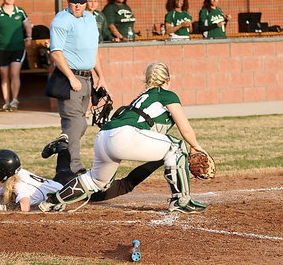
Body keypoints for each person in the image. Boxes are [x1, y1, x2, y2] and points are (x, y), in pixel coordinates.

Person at [40, 62, 208, 214]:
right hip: (125, 136)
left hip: (103, 137)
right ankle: (181, 200)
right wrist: (196, 146)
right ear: (168, 80)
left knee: (95, 181)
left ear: (147, 80)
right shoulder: (166, 95)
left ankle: (52, 200)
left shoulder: (141, 98)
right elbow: (184, 129)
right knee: (177, 147)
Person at [47, 0, 109, 174]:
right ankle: (75, 167)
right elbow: (56, 53)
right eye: (74, 3)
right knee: (75, 123)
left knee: (77, 124)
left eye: (81, 3)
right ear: (68, 2)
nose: (78, 6)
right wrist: (71, 77)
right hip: (69, 78)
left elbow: (93, 50)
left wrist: (101, 76)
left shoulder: (90, 18)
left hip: (87, 78)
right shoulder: (61, 21)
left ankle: (62, 156)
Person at [0, 134, 76, 212]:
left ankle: (63, 148)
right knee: (63, 170)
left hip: (69, 190)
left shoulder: (19, 185)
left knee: (86, 184)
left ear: (4, 172)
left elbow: (25, 207)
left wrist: (4, 207)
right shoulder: (17, 174)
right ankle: (62, 147)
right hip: (57, 185)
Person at [0, 0, 32, 111]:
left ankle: (14, 100)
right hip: (2, 48)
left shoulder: (20, 11)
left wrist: (29, 37)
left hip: (17, 47)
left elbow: (27, 24)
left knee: (14, 73)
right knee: (4, 75)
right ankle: (6, 101)